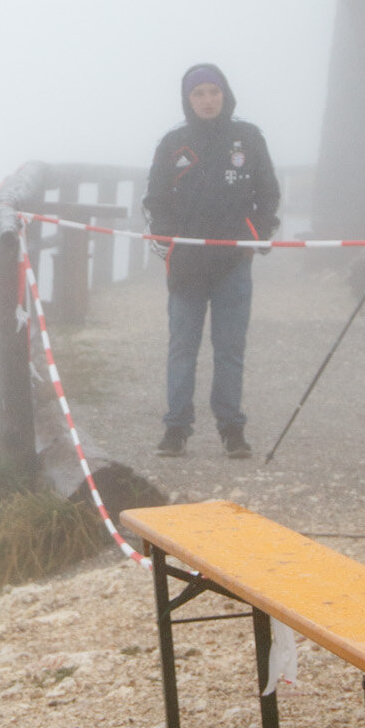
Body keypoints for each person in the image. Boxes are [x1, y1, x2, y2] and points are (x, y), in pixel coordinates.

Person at [146, 64, 279, 458]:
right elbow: (155, 200)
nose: (207, 100)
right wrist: (166, 239)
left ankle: (231, 428)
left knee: (230, 348)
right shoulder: (173, 144)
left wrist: (257, 231)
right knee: (182, 348)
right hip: (186, 266)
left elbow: (268, 193)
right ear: (188, 99)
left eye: (213, 92)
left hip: (233, 263)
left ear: (225, 95)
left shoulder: (248, 139)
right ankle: (176, 429)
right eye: (198, 93)